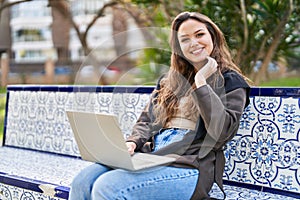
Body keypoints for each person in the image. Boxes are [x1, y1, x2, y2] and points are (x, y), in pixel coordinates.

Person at [69, 11, 250, 200]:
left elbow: (221, 133)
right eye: (185, 39)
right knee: (83, 181)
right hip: (152, 156)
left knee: (109, 187)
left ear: (212, 36)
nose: (194, 43)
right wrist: (133, 142)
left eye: (199, 34)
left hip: (189, 166)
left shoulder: (231, 82)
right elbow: (147, 120)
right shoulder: (169, 81)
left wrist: (201, 83)